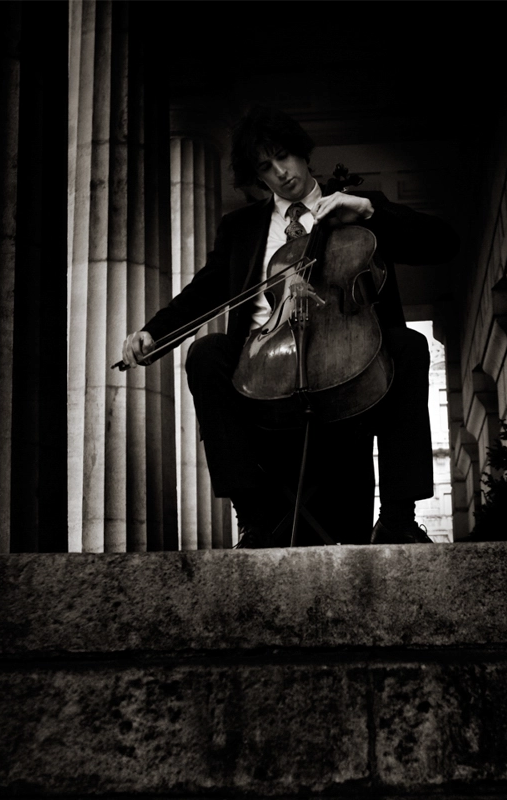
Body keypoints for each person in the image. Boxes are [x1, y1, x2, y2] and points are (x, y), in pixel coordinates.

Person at [122, 107, 460, 548]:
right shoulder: (241, 228)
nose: (281, 173)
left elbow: (444, 243)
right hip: (265, 379)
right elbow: (203, 293)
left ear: (303, 152)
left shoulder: (357, 206)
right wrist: (154, 332)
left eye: (284, 156)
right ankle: (254, 519)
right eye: (265, 167)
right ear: (256, 178)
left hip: (355, 373)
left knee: (410, 345)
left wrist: (371, 212)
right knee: (206, 355)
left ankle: (399, 517)